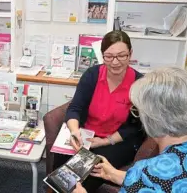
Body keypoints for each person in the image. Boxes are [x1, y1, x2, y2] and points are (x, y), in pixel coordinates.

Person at [73, 66, 187, 193]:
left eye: (137, 111)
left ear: (153, 119)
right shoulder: (147, 175)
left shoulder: (147, 172)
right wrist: (115, 174)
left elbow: (153, 181)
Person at [54, 30, 145, 192]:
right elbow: (75, 108)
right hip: (87, 134)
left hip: (118, 140)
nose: (115, 62)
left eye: (121, 55)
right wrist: (75, 132)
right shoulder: (92, 75)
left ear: (130, 54)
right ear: (102, 55)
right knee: (61, 165)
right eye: (109, 56)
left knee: (92, 168)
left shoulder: (139, 83)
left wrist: (104, 141)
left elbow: (134, 126)